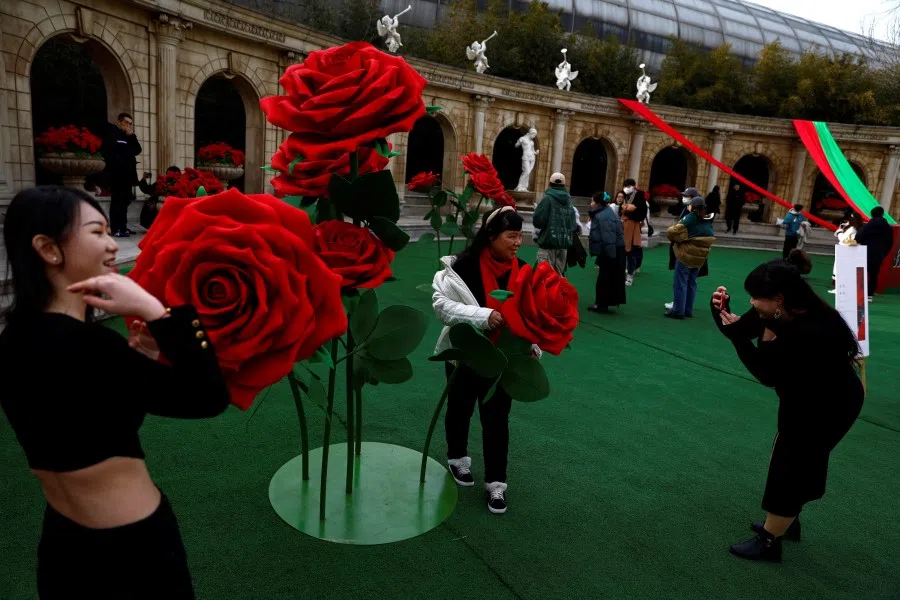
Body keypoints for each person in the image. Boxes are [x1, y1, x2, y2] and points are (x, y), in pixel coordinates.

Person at [0, 186, 230, 598]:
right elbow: (207, 398)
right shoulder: (89, 348)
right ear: (49, 249)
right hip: (133, 551)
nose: (112, 245)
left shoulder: (15, 338)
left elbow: (88, 415)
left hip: (62, 543)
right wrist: (153, 311)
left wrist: (149, 359)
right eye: (98, 232)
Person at [711, 260, 864, 563]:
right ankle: (785, 522)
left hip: (830, 404)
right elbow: (741, 329)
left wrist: (741, 339)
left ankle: (769, 541)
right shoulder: (780, 311)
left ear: (779, 298)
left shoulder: (812, 330)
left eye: (756, 297)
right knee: (787, 456)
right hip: (804, 398)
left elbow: (767, 373)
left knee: (792, 464)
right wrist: (721, 311)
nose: (752, 303)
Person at [431, 206, 541, 515]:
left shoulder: (522, 270)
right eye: (511, 235)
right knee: (460, 409)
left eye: (520, 236)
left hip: (502, 361)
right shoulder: (461, 267)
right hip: (465, 355)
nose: (518, 242)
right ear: (491, 236)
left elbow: (529, 313)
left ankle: (496, 483)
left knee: (496, 420)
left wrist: (532, 343)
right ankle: (457, 458)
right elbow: (441, 305)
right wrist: (484, 316)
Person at [666, 196, 715, 319]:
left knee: (680, 283)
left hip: (685, 256)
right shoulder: (707, 219)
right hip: (699, 258)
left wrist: (679, 238)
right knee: (692, 283)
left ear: (693, 207)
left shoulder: (690, 218)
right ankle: (688, 310)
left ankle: (678, 311)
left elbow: (672, 232)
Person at [101, 112, 142, 237]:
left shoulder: (128, 137)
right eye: (126, 123)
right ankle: (115, 228)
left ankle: (123, 227)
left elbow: (137, 150)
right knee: (117, 202)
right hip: (117, 176)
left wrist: (132, 136)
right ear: (120, 122)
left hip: (128, 176)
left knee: (125, 202)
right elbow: (108, 152)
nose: (128, 126)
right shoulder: (113, 133)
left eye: (130, 124)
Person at [587, 192, 626, 313]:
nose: (591, 204)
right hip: (612, 250)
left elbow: (609, 238)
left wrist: (609, 256)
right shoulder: (606, 212)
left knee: (604, 278)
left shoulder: (603, 216)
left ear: (598, 203)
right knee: (608, 278)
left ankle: (601, 304)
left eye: (593, 201)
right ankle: (603, 303)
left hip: (611, 251)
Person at [533, 172, 577, 275]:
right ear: (564, 185)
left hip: (548, 244)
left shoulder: (547, 199)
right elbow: (573, 225)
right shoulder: (569, 202)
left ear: (549, 183)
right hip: (563, 247)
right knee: (559, 279)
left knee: (545, 278)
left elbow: (538, 222)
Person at [855, 206, 895, 299]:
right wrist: (883, 253)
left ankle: (859, 293)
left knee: (862, 273)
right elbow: (889, 243)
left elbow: (858, 237)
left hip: (864, 252)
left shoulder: (868, 226)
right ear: (882, 214)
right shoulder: (888, 228)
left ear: (872, 214)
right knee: (874, 275)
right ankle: (869, 294)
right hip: (878, 255)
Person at [621, 178, 648, 286]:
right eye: (625, 186)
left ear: (633, 186)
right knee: (622, 251)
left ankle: (630, 275)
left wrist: (630, 211)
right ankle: (622, 273)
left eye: (629, 186)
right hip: (623, 225)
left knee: (631, 251)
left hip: (633, 226)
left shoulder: (639, 196)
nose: (627, 188)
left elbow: (642, 212)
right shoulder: (624, 196)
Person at [827, 213, 861, 294]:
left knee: (840, 270)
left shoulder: (852, 229)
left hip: (844, 250)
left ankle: (839, 289)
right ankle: (841, 288)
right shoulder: (857, 227)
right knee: (843, 270)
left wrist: (839, 232)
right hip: (847, 250)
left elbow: (842, 238)